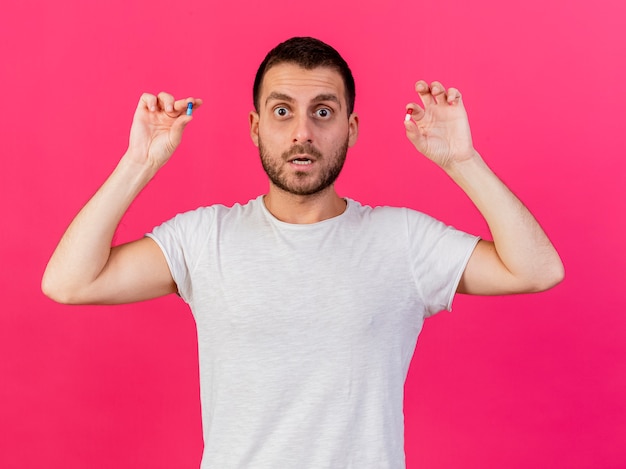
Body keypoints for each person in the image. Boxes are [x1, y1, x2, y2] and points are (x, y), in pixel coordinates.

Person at [42, 37, 564, 468]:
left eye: (323, 112)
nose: (302, 133)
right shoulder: (205, 239)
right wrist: (140, 161)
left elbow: (537, 269)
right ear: (255, 127)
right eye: (282, 111)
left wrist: (462, 160)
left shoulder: (401, 240)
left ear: (351, 128)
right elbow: (70, 282)